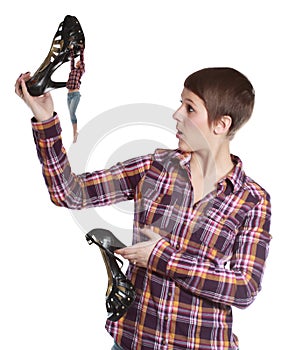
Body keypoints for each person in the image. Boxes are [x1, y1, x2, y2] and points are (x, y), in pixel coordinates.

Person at [15, 67, 271, 350]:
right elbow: (70, 194)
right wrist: (45, 120)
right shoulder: (155, 168)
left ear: (221, 124)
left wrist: (161, 257)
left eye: (190, 108)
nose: (177, 114)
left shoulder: (252, 200)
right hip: (131, 343)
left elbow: (244, 288)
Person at [66, 44, 85, 143]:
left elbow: (82, 58)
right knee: (71, 114)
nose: (78, 62)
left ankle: (74, 134)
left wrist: (81, 48)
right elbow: (72, 60)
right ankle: (75, 133)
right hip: (68, 95)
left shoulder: (81, 71)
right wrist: (72, 50)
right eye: (77, 62)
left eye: (79, 62)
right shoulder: (73, 70)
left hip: (75, 95)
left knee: (72, 113)